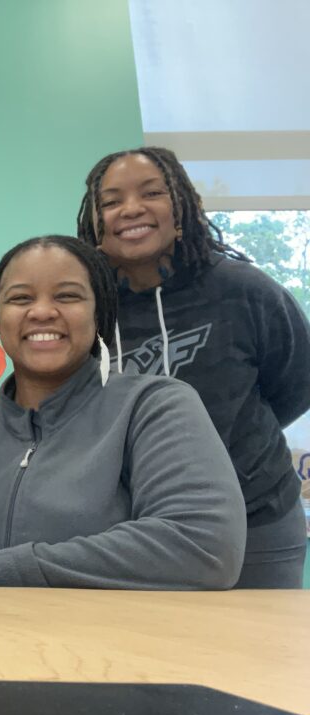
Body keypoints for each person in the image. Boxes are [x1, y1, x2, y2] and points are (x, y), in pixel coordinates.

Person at [0, 235, 246, 589]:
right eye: (20, 298)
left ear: (98, 313)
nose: (41, 312)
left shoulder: (152, 407)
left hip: (108, 644)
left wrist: (17, 571)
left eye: (67, 296)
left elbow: (204, 542)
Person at [76, 146, 310, 588]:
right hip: (135, 531)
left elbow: (297, 383)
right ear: (94, 221)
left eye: (151, 193)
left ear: (180, 206)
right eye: (111, 201)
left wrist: (228, 448)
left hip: (257, 520)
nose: (131, 210)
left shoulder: (244, 290)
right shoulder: (88, 307)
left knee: (259, 654)